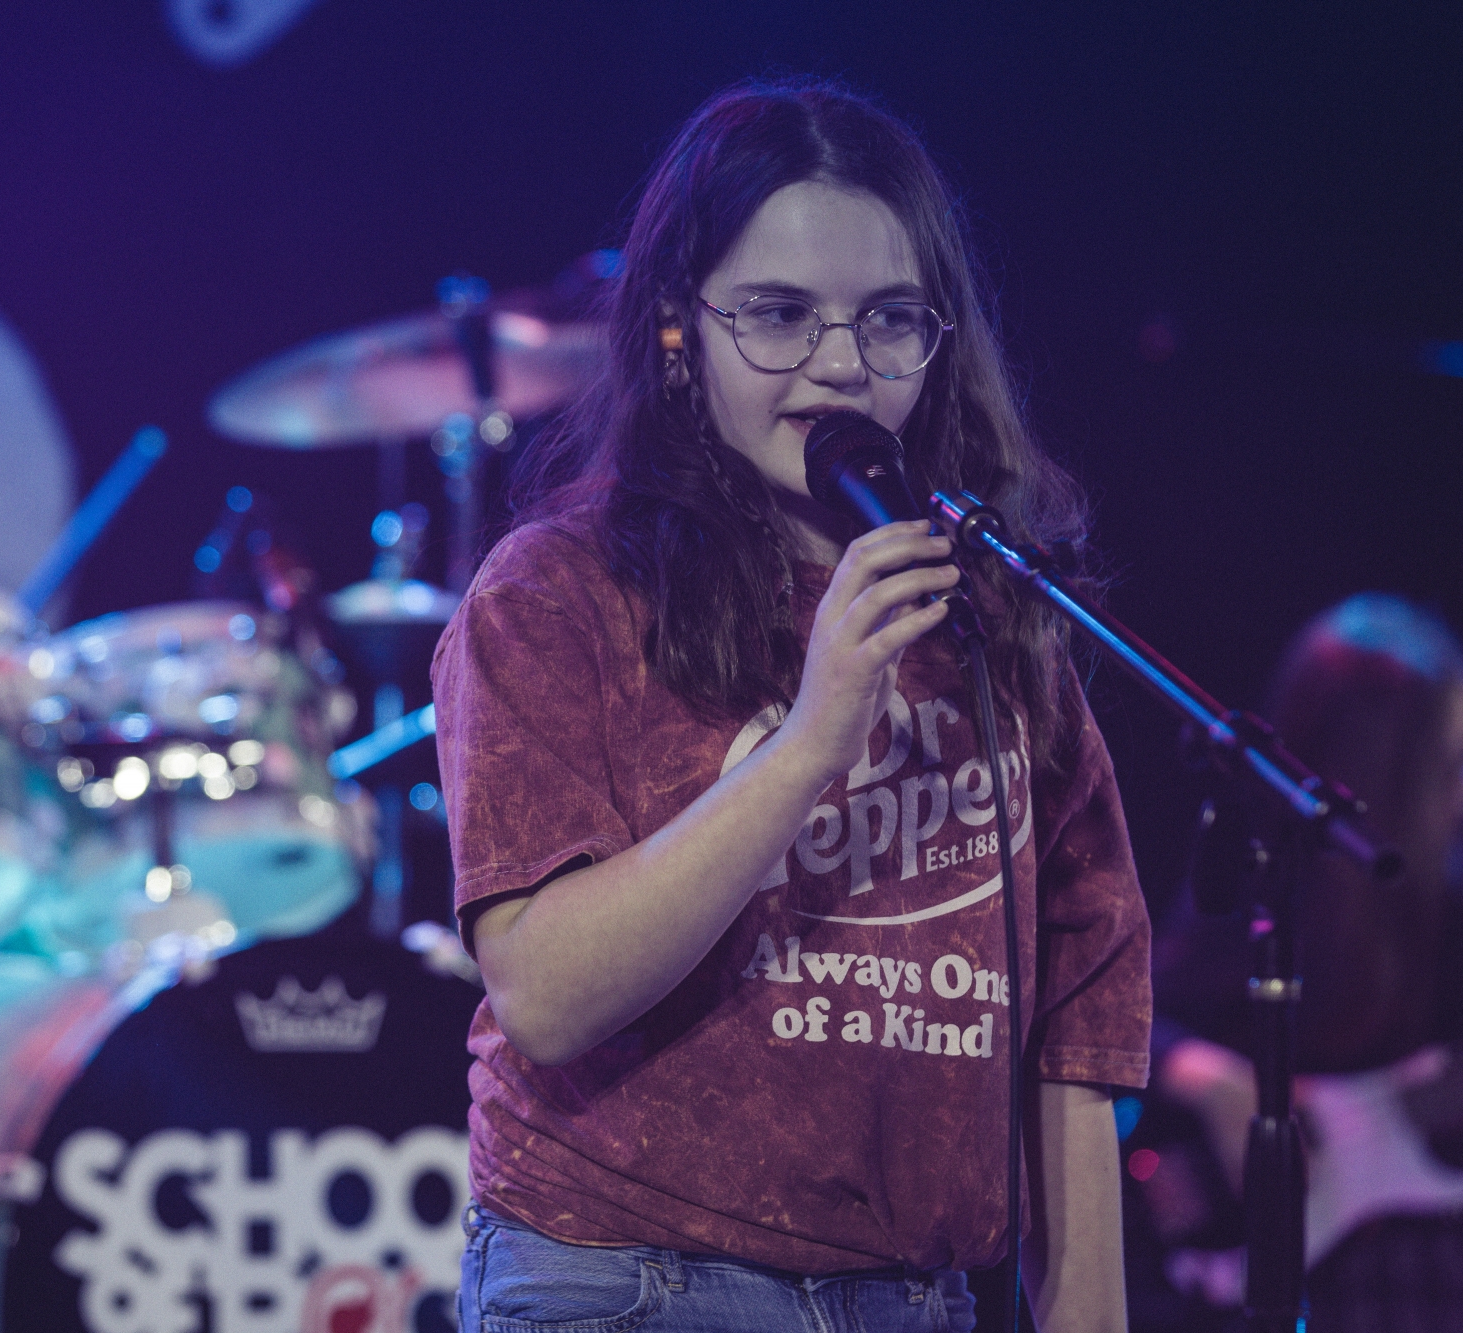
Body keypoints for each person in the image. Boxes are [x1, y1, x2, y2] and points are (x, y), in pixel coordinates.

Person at [433, 78, 1151, 1332]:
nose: (837, 366)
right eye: (777, 315)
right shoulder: (558, 594)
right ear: (676, 329)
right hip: (635, 1280)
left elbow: (1074, 1028)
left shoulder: (985, 609)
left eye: (887, 322)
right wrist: (811, 740)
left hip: (917, 1298)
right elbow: (544, 994)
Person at [1149, 594, 1463, 1330]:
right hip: (1317, 1276)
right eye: (1449, 763)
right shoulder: (1271, 888)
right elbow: (1132, 1014)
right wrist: (1215, 1080)